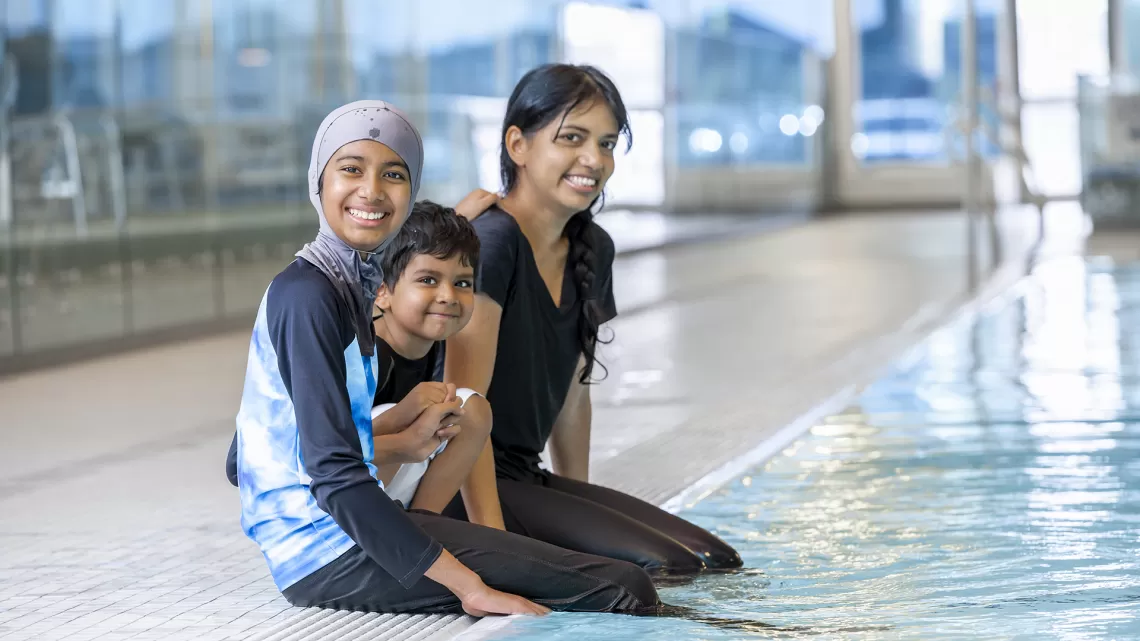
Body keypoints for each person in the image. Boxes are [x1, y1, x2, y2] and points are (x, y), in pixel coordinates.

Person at [230, 99, 659, 615]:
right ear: (318, 181)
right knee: (622, 588)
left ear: (409, 193)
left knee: (618, 580)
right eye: (350, 169)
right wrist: (468, 587)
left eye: (393, 174)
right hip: (328, 555)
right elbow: (335, 477)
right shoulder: (309, 296)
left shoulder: (348, 289)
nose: (371, 190)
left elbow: (252, 450)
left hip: (347, 539)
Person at [442, 64, 743, 576]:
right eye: (573, 138)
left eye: (606, 144)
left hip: (525, 476)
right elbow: (460, 410)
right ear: (518, 144)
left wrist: (579, 500)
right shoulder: (492, 244)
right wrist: (490, 543)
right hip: (463, 487)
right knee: (669, 567)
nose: (593, 160)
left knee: (715, 559)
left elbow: (573, 396)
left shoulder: (590, 247)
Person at [366, 200, 501, 526]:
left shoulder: (432, 345)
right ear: (382, 292)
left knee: (470, 408)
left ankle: (427, 528)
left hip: (391, 500)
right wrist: (402, 423)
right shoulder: (365, 356)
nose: (448, 296)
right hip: (326, 518)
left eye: (462, 283)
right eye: (428, 280)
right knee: (397, 413)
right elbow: (315, 452)